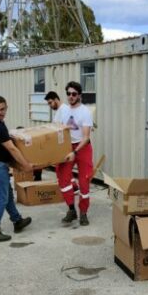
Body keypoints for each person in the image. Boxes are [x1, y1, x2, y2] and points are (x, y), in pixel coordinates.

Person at [0, 96, 33, 242]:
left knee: (7, 195)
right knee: (1, 198)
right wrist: (26, 165)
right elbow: (12, 149)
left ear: (6, 108)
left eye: (2, 109)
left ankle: (17, 221)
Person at [54, 81, 94, 226]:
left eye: (74, 94)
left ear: (79, 95)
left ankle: (83, 213)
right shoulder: (63, 110)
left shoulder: (85, 112)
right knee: (62, 177)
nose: (71, 96)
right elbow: (56, 129)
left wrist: (75, 152)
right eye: (68, 94)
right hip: (66, 146)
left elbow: (86, 137)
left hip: (82, 147)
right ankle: (71, 209)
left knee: (84, 181)